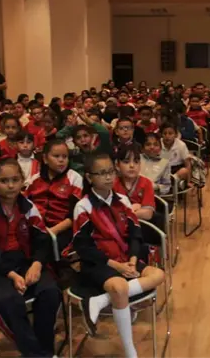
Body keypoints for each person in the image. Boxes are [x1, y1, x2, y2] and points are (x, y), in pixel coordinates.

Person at [72, 152, 165, 358]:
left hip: (125, 258)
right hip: (99, 264)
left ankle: (99, 301)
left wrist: (132, 260)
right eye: (101, 173)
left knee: (158, 275)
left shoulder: (122, 200)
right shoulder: (83, 206)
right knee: (120, 287)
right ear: (89, 177)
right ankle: (130, 351)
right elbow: (84, 248)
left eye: (111, 172)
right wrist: (117, 266)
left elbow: (135, 234)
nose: (108, 177)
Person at [0, 158, 60, 358]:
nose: (11, 185)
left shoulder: (29, 207)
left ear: (22, 180)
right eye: (4, 181)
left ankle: (46, 351)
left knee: (50, 292)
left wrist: (36, 265)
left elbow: (42, 240)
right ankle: (36, 355)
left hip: (26, 261)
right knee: (9, 301)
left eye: (15, 180)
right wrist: (11, 275)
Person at [25, 140, 82, 253]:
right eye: (56, 156)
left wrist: (53, 231)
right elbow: (25, 207)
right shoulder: (35, 179)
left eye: (64, 156)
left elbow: (75, 214)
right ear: (45, 159)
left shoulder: (74, 178)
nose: (61, 160)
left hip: (61, 229)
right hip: (36, 227)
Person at [113, 144, 155, 221]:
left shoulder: (146, 183)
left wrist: (123, 214)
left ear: (140, 165)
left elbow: (148, 214)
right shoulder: (112, 184)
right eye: (126, 162)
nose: (132, 165)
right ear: (117, 165)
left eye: (136, 162)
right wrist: (134, 209)